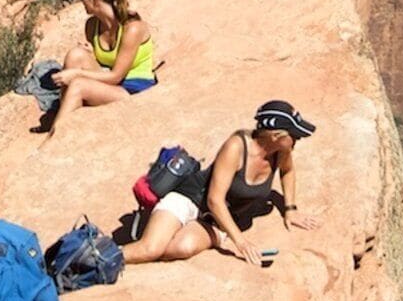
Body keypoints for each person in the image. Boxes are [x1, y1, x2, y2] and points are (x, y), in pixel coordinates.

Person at [124, 100, 323, 264]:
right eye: (294, 135)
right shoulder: (236, 147)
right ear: (275, 136)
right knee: (150, 250)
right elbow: (214, 200)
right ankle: (98, 258)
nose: (298, 139)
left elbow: (287, 171)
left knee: (181, 248)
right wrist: (241, 242)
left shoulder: (282, 150)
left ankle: (146, 238)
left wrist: (290, 209)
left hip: (217, 221)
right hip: (191, 198)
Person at [34, 0, 160, 134]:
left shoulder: (132, 28)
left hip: (135, 89)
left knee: (78, 85)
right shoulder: (92, 25)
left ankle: (55, 135)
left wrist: (76, 74)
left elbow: (115, 76)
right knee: (76, 55)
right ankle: (64, 118)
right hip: (113, 85)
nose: (81, 1)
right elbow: (106, 64)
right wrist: (92, 55)